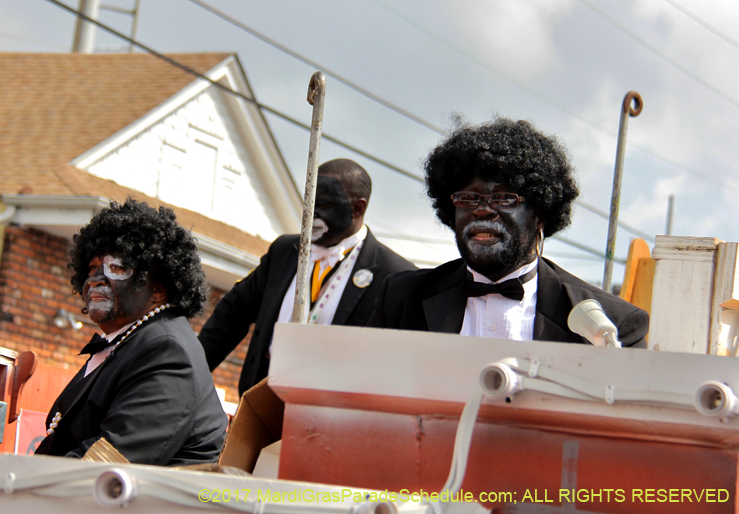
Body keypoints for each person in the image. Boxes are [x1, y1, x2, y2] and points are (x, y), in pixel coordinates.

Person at [368, 118, 648, 347]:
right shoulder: (401, 299)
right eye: (467, 198)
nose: (481, 210)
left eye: (504, 199)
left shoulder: (611, 324)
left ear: (540, 214)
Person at [198, 159, 417, 396]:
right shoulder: (284, 250)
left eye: (322, 204)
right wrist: (191, 376)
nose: (310, 214)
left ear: (357, 209)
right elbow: (232, 314)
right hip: (261, 402)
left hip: (331, 415)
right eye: (308, 202)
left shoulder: (394, 275)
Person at [35, 200, 227, 465]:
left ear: (159, 289)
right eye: (92, 269)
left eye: (117, 268)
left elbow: (112, 459)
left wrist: (26, 483)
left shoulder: (168, 350)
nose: (96, 279)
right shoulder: (130, 341)